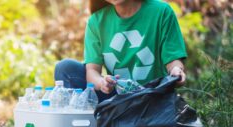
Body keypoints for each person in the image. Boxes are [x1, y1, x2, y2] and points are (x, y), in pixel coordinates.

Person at [55, 0, 187, 103]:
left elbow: (173, 59)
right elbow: (92, 71)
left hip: (152, 96)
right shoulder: (96, 21)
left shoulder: (161, 11)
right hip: (116, 97)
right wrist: (102, 83)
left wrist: (176, 71)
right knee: (65, 68)